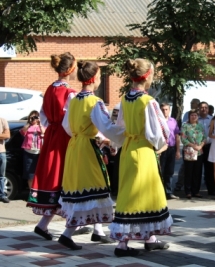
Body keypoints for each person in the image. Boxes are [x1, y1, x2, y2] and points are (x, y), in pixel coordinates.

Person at [109, 58, 172, 257]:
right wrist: (162, 144)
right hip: (143, 149)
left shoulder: (126, 99)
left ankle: (150, 238)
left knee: (135, 191)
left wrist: (116, 145)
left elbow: (119, 127)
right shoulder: (148, 101)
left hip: (129, 149)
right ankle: (122, 243)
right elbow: (159, 130)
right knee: (140, 192)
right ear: (148, 76)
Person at [27, 52, 90, 240]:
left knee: (55, 177)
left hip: (52, 137)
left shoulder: (49, 89)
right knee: (67, 179)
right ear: (71, 70)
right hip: (65, 138)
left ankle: (44, 224)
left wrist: (50, 130)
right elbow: (71, 121)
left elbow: (43, 116)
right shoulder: (70, 93)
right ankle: (71, 224)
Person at [58, 61, 119, 250]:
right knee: (92, 187)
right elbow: (106, 127)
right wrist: (117, 140)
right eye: (100, 76)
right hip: (87, 148)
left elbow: (66, 126)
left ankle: (98, 231)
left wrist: (82, 135)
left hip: (75, 146)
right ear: (93, 79)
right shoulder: (95, 102)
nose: (100, 80)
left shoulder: (74, 99)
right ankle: (67, 234)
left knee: (87, 187)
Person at [181, 109, 206, 199]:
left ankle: (196, 191)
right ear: (189, 116)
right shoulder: (185, 126)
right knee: (188, 172)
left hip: (199, 152)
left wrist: (200, 146)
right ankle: (188, 191)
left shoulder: (200, 126)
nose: (194, 117)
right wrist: (193, 145)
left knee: (197, 172)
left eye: (195, 115)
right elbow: (183, 139)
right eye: (192, 115)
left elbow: (204, 138)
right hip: (189, 151)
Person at [159, 103, 181, 200]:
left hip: (171, 148)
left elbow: (177, 136)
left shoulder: (173, 121)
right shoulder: (157, 121)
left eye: (166, 109)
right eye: (163, 109)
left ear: (169, 110)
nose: (165, 111)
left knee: (170, 171)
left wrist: (178, 151)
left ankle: (168, 192)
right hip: (161, 149)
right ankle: (159, 192)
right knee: (160, 171)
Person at [20, 110, 45, 188]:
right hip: (28, 152)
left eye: (36, 116)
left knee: (40, 174)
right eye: (33, 116)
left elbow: (44, 132)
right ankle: (32, 193)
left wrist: (40, 123)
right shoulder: (28, 126)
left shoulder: (41, 126)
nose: (34, 118)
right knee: (30, 175)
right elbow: (22, 131)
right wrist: (30, 122)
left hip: (39, 153)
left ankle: (38, 191)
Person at [198, 101, 215, 196]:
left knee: (210, 169)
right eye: (202, 107)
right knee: (197, 169)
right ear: (199, 109)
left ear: (208, 109)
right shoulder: (196, 119)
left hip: (209, 147)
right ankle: (195, 190)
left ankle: (211, 190)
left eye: (205, 107)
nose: (203, 109)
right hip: (198, 147)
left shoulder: (212, 119)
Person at [0, 117, 10, 203]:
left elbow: (7, 135)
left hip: (1, 152)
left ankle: (2, 195)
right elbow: (4, 135)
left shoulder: (2, 120)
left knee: (1, 176)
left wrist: (4, 134)